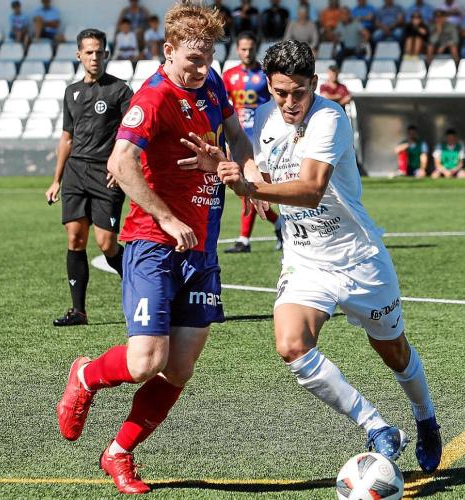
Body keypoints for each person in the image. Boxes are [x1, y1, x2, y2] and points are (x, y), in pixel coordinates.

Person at [213, 39, 442, 473]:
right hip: (306, 260)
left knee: (393, 351)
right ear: (269, 87)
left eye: (298, 92)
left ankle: (425, 417)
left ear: (314, 84)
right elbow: (255, 166)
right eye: (280, 93)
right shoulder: (263, 119)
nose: (290, 103)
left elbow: (310, 189)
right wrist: (244, 175)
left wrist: (251, 187)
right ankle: (377, 427)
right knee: (291, 345)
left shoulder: (329, 117)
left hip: (358, 259)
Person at [56, 3, 256, 494]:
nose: (202, 67)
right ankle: (86, 376)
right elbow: (120, 162)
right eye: (193, 59)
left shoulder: (211, 84)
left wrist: (250, 176)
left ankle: (118, 453)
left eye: (209, 57)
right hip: (153, 244)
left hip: (201, 249)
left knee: (179, 368)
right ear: (169, 51)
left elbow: (236, 136)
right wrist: (167, 218)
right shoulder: (154, 96)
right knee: (147, 360)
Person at [45, 29, 133, 327]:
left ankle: (142, 291)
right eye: (89, 52)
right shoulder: (71, 92)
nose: (94, 57)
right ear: (79, 55)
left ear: (106, 54)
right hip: (75, 174)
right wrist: (56, 180)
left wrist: (119, 167)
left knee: (107, 244)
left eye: (99, 52)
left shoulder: (120, 91)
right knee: (75, 238)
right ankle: (78, 311)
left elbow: (131, 134)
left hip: (106, 174)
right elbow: (66, 138)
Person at [222, 32, 282, 254]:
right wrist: (227, 140)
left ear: (256, 49)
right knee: (245, 190)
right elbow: (224, 110)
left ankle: (244, 240)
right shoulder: (229, 76)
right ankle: (279, 224)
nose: (247, 53)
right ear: (237, 50)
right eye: (243, 49)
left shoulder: (266, 75)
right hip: (238, 139)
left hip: (261, 138)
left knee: (251, 187)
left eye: (251, 49)